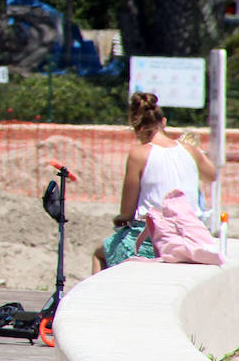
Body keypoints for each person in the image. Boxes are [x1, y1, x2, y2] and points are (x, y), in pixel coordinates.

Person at [92, 91, 218, 273]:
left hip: (154, 239)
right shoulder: (190, 150)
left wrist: (120, 219)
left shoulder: (139, 154)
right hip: (191, 235)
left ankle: (100, 300)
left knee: (99, 253)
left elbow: (127, 211)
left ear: (138, 128)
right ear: (164, 122)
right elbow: (211, 175)